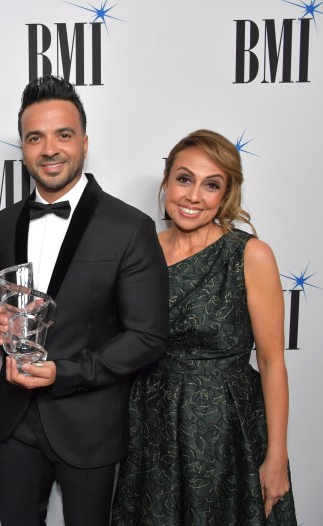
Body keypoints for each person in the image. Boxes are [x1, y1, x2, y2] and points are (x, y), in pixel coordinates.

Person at [0, 75, 169, 526]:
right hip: (14, 424)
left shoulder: (129, 226)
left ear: (84, 142)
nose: (49, 149)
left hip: (89, 424)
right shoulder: (4, 225)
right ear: (23, 148)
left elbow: (147, 336)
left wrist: (64, 373)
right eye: (35, 137)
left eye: (63, 134)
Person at [112, 129, 297, 525]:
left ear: (225, 194)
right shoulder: (140, 249)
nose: (194, 196)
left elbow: (271, 361)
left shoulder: (249, 254)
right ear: (166, 182)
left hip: (223, 431)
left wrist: (277, 456)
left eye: (211, 185)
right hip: (152, 424)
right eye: (184, 179)